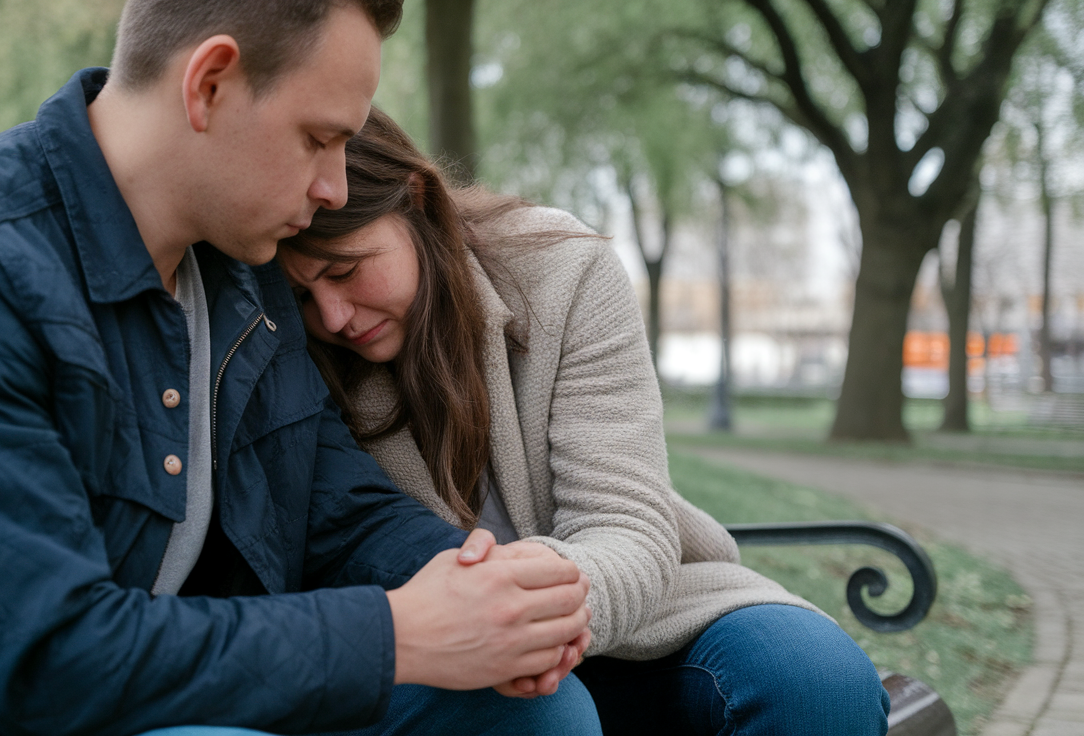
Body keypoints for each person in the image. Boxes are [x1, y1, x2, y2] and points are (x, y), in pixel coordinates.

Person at [0, 3, 602, 735]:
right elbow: (47, 661)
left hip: (202, 698)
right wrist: (403, 635)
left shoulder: (242, 275)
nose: (334, 187)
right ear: (209, 84)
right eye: (320, 139)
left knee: (529, 709)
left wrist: (495, 591)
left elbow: (338, 515)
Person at [276, 107, 892, 736]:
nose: (331, 316)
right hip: (446, 663)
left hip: (635, 611)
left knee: (818, 683)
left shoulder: (564, 271)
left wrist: (533, 612)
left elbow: (625, 525)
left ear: (417, 200)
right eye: (301, 294)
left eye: (344, 270)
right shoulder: (291, 350)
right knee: (539, 714)